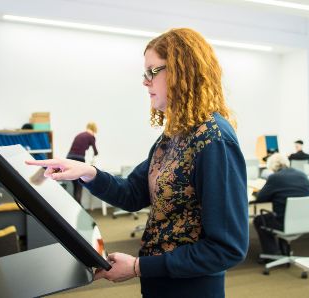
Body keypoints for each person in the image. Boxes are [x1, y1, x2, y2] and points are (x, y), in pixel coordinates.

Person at [26, 28, 248, 298]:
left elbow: (227, 247)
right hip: (160, 284)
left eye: (152, 71)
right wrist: (89, 173)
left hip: (191, 289)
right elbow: (133, 192)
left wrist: (138, 266)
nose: (145, 82)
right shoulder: (173, 136)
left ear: (182, 71)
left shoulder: (214, 139)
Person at [253, 153, 309, 255]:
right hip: (305, 220)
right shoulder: (302, 175)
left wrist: (257, 192)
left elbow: (260, 198)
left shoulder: (275, 178)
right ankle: (285, 250)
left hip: (283, 222)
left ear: (271, 166)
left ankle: (271, 253)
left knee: (259, 220)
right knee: (282, 212)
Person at [66, 122, 99, 203]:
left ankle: (76, 206)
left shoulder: (80, 135)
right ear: (94, 129)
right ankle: (79, 206)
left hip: (69, 159)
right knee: (79, 184)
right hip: (78, 159)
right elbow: (95, 152)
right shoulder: (91, 136)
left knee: (75, 183)